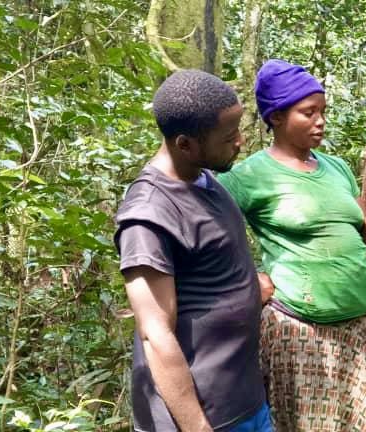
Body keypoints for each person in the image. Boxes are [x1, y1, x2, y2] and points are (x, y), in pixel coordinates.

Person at [217, 59, 366, 431]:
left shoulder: (334, 167)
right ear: (276, 117)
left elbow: (361, 240)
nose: (320, 121)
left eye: (323, 111)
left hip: (364, 331)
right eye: (308, 112)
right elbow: (205, 236)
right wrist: (246, 279)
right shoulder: (248, 177)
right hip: (303, 334)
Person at [114, 70, 273, 432]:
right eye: (229, 137)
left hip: (242, 398)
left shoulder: (202, 176)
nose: (241, 142)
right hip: (205, 417)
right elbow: (156, 337)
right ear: (185, 144)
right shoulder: (148, 216)